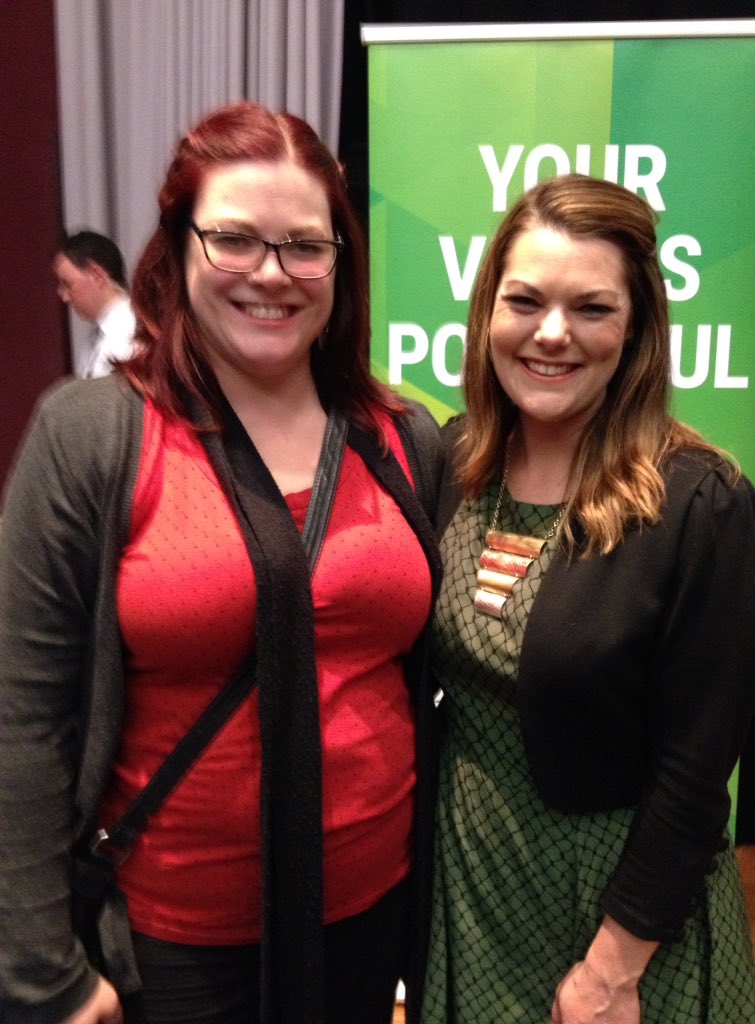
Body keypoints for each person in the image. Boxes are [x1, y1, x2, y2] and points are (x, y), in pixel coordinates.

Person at [0, 101, 443, 1024]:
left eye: (305, 247)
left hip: (374, 921)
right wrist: (45, 971)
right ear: (178, 246)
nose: (271, 274)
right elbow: (22, 716)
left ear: (341, 260)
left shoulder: (404, 439)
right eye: (234, 239)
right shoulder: (91, 437)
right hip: (173, 953)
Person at [422, 174, 755, 1023]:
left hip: (620, 917)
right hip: (471, 887)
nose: (552, 333)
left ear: (637, 327)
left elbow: (696, 774)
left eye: (592, 308)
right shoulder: (454, 463)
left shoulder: (698, 503)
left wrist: (614, 969)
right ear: (488, 311)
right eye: (525, 301)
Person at [53, 230, 138, 377]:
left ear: (97, 275)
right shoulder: (97, 337)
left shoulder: (132, 333)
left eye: (67, 284)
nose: (64, 297)